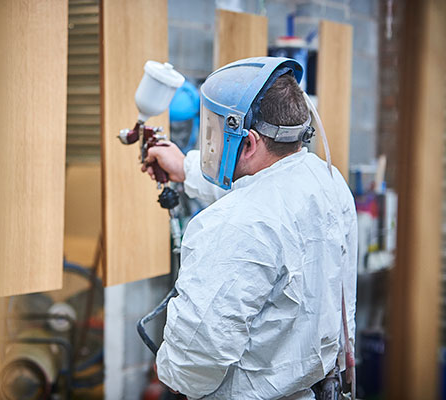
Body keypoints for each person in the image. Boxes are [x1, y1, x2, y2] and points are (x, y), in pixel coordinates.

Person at [141, 57, 357, 400]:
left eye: (212, 131)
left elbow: (193, 365)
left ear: (250, 142)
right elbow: (264, 186)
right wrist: (184, 165)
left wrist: (167, 367)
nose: (210, 142)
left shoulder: (234, 225)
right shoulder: (327, 180)